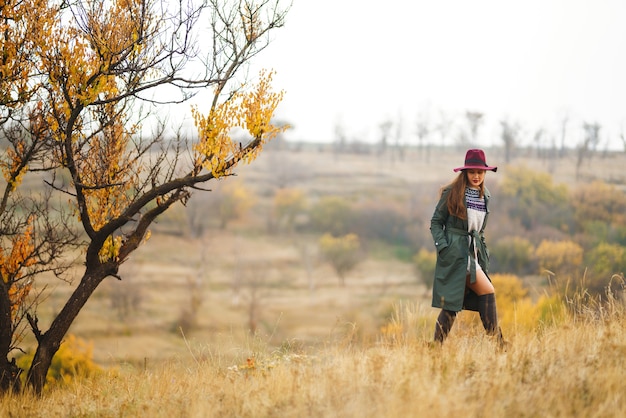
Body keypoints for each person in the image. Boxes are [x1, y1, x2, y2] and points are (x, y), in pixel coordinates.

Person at [429, 149, 505, 346]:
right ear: (465, 173)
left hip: (474, 253)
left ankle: (435, 347)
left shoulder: (485, 195)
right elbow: (436, 222)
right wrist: (443, 247)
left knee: (453, 304)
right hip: (455, 252)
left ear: (485, 173)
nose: (476, 176)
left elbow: (480, 231)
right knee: (487, 291)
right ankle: (498, 343)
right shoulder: (452, 193)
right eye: (472, 172)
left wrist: (483, 253)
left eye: (480, 172)